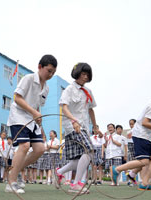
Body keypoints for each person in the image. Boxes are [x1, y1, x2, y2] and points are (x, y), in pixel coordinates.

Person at [5, 55, 57, 193]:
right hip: (19, 116)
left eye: (53, 73)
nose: (50, 75)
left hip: (32, 119)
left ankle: (15, 170)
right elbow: (17, 98)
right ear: (40, 67)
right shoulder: (28, 79)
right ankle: (11, 181)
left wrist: (38, 117)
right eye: (49, 71)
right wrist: (34, 112)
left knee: (40, 149)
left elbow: (38, 106)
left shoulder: (46, 88)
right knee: (24, 146)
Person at [112, 87, 151, 190]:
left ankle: (144, 183)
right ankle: (117, 169)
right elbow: (145, 122)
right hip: (141, 135)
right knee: (144, 162)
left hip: (147, 137)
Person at [55, 63, 97, 194]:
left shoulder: (88, 91)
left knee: (79, 159)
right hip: (72, 126)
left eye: (87, 75)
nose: (85, 77)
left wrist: (95, 126)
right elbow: (64, 107)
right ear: (76, 73)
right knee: (89, 151)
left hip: (83, 126)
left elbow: (90, 109)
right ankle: (76, 185)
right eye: (83, 74)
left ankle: (59, 172)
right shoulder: (69, 89)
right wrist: (73, 121)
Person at [126, 119, 137, 186]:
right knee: (133, 165)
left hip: (137, 146)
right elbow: (129, 140)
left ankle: (139, 181)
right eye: (130, 124)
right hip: (131, 147)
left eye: (132, 124)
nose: (131, 125)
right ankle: (133, 181)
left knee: (138, 164)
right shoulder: (129, 132)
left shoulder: (138, 130)